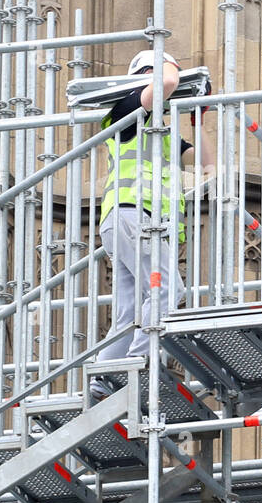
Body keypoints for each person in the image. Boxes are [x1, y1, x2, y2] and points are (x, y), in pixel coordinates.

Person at [90, 49, 215, 400]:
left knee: (131, 309)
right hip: (133, 215)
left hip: (136, 221)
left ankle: (106, 378)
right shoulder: (127, 110)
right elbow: (170, 80)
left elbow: (207, 165)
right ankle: (138, 365)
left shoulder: (158, 133)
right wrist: (179, 74)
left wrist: (197, 120)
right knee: (167, 292)